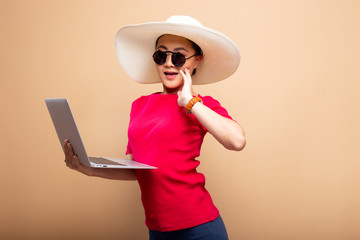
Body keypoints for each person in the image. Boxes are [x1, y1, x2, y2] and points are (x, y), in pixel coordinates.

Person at [64, 15, 246, 240]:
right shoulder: (139, 106)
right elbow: (137, 170)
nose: (169, 63)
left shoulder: (200, 105)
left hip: (200, 228)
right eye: (161, 55)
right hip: (158, 230)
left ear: (196, 61)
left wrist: (189, 101)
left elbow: (237, 141)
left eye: (179, 56)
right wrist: (88, 168)